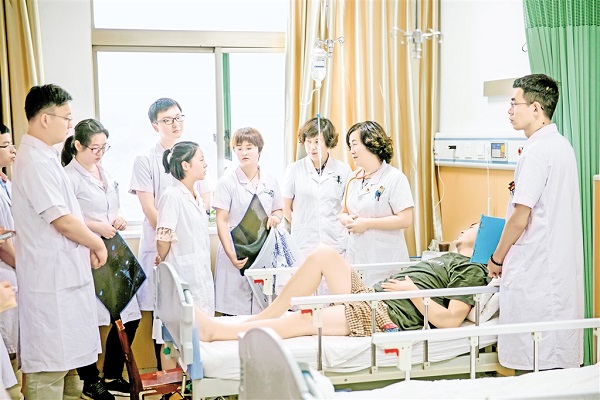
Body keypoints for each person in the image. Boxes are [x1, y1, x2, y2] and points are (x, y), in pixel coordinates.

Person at [198, 223, 490, 341]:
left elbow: (451, 320)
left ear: (486, 240)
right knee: (323, 253)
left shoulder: (472, 269)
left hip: (384, 315)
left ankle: (217, 333)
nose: (465, 227)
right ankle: (263, 317)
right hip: (372, 297)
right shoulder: (445, 257)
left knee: (306, 317)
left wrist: (412, 292)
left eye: (474, 226)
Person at [12, 84, 107, 400]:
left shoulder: (46, 157)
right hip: (49, 285)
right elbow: (61, 220)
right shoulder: (35, 162)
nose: (70, 124)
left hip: (63, 279)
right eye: (66, 118)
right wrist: (96, 243)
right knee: (48, 375)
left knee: (68, 373)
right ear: (44, 118)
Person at [487, 74, 584, 371]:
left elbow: (520, 217)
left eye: (514, 103)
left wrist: (497, 258)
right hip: (553, 270)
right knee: (554, 362)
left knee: (534, 364)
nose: (509, 110)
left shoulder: (537, 152)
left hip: (537, 271)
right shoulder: (561, 146)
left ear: (536, 108)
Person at [129, 98, 213, 366]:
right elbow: (151, 210)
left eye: (179, 118)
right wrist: (169, 240)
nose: (175, 124)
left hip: (191, 261)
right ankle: (172, 381)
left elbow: (205, 201)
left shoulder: (192, 159)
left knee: (193, 328)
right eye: (168, 120)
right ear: (155, 126)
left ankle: (191, 380)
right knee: (169, 330)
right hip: (169, 255)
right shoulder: (147, 162)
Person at [61, 119, 141, 399]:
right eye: (94, 148)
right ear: (78, 145)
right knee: (88, 320)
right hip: (85, 251)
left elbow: (112, 205)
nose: (100, 153)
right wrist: (97, 227)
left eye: (104, 147)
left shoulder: (104, 171)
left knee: (128, 315)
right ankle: (89, 381)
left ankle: (112, 374)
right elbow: (64, 218)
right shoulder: (68, 177)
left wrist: (119, 217)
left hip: (113, 248)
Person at [213, 127, 283, 316]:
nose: (243, 152)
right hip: (236, 249)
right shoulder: (226, 182)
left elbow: (278, 209)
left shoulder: (270, 180)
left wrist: (276, 218)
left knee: (263, 310)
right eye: (239, 148)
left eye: (249, 147)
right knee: (235, 315)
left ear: (259, 149)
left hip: (263, 250)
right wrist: (231, 253)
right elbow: (221, 220)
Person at [340, 121, 415, 286]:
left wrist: (367, 224)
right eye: (350, 146)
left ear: (371, 143)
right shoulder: (353, 178)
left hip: (385, 260)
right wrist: (346, 220)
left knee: (380, 299)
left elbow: (405, 219)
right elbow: (343, 212)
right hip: (356, 257)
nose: (351, 151)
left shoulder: (394, 178)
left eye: (355, 144)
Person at [156, 141, 214, 316]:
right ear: (185, 165)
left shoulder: (195, 195)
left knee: (202, 322)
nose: (205, 164)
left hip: (199, 271)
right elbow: (163, 240)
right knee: (186, 324)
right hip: (182, 271)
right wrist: (163, 259)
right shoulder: (172, 196)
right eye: (201, 160)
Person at [282, 117, 352, 256]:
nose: (312, 147)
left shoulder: (343, 170)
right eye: (308, 141)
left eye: (317, 142)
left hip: (335, 241)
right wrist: (301, 223)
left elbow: (348, 207)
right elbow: (285, 208)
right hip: (304, 243)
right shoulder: (294, 169)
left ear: (328, 142)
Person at [0, 124, 20, 399]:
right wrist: (24, 267)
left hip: (14, 266)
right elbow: (2, 243)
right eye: (5, 145)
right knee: (8, 342)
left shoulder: (7, 183)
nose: (12, 150)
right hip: (7, 269)